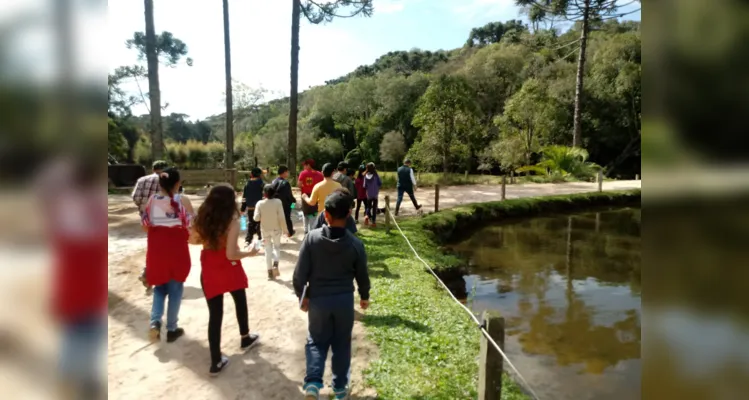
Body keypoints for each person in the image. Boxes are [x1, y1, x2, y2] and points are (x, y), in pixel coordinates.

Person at [293, 191, 371, 400]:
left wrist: (302, 296)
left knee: (316, 341)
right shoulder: (356, 244)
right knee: (341, 343)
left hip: (318, 300)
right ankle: (339, 389)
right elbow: (362, 274)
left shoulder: (311, 239)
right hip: (344, 301)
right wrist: (364, 296)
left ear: (325, 215)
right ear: (348, 215)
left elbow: (299, 275)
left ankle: (312, 384)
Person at [190, 184, 261, 376]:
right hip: (228, 267)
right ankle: (245, 337)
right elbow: (231, 254)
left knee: (215, 314)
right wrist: (250, 253)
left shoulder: (202, 219)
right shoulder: (233, 221)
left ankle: (215, 361)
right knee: (240, 299)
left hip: (209, 267)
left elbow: (192, 240)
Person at [141, 167, 194, 343]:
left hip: (157, 252)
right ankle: (172, 329)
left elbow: (145, 225)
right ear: (177, 184)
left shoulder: (152, 200)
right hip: (177, 252)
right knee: (175, 290)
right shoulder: (182, 201)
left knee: (159, 288)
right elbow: (190, 226)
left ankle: (155, 322)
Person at [132, 160, 169, 291]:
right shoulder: (166, 180)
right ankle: (149, 274)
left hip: (146, 218)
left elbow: (135, 197)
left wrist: (143, 208)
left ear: (153, 168)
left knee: (154, 244)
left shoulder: (142, 180)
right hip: (162, 218)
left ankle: (150, 275)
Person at [253, 184, 288, 280]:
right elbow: (281, 217)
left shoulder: (259, 203)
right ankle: (276, 263)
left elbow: (256, 218)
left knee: (268, 250)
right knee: (277, 247)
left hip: (265, 230)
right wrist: (285, 230)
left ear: (264, 193)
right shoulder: (278, 202)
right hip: (276, 229)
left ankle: (269, 271)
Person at [298, 159, 324, 234]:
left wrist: (304, 186)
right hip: (316, 196)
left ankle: (306, 230)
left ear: (308, 165)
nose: (303, 166)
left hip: (305, 195)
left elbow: (299, 185)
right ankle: (312, 231)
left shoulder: (303, 173)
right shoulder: (320, 174)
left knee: (305, 213)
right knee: (313, 214)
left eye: (304, 165)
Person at [240, 167, 265, 245]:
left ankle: (248, 240)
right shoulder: (262, 183)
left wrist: (242, 208)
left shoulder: (247, 184)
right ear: (260, 175)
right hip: (260, 208)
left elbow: (244, 198)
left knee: (251, 224)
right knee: (260, 224)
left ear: (251, 174)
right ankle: (261, 239)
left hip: (250, 207)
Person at [271, 165, 297, 237]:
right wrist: (293, 203)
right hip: (286, 204)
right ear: (284, 172)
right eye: (287, 172)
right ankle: (290, 232)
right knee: (287, 217)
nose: (287, 173)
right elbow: (289, 195)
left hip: (275, 204)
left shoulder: (273, 182)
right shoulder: (285, 183)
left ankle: (276, 233)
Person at [363, 162, 382, 227]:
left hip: (369, 194)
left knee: (368, 206)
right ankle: (373, 222)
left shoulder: (365, 176)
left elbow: (364, 186)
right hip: (375, 194)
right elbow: (380, 183)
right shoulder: (376, 175)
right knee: (374, 208)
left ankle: (367, 216)